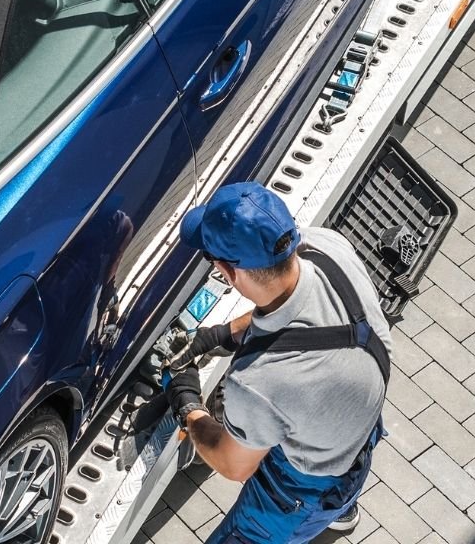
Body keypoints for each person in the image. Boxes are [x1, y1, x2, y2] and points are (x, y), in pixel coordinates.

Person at [166, 181, 390, 544]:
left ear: (228, 272)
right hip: (357, 425)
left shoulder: (258, 382)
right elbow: (291, 304)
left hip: (299, 494)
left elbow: (233, 464)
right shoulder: (328, 247)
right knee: (323, 449)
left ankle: (318, 516)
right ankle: (340, 510)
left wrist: (188, 404)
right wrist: (221, 335)